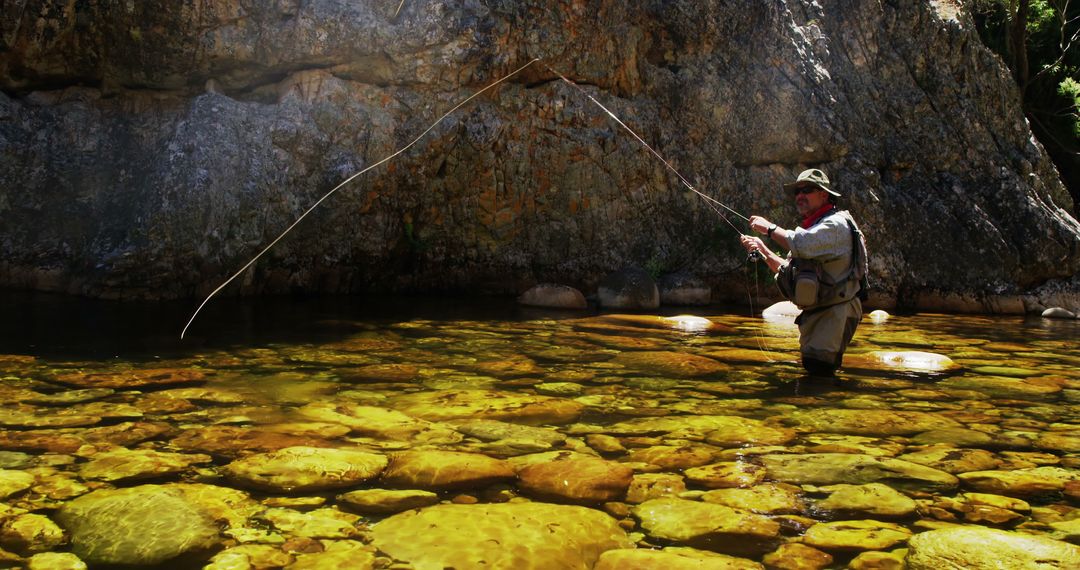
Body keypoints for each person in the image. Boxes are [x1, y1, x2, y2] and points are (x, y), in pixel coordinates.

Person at [739, 168, 868, 377]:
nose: (800, 196)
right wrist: (763, 250)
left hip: (834, 315)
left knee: (820, 375)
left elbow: (801, 244)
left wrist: (769, 228)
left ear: (824, 195)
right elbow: (788, 270)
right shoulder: (817, 228)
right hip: (821, 315)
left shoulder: (834, 225)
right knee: (815, 372)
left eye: (807, 190)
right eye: (797, 192)